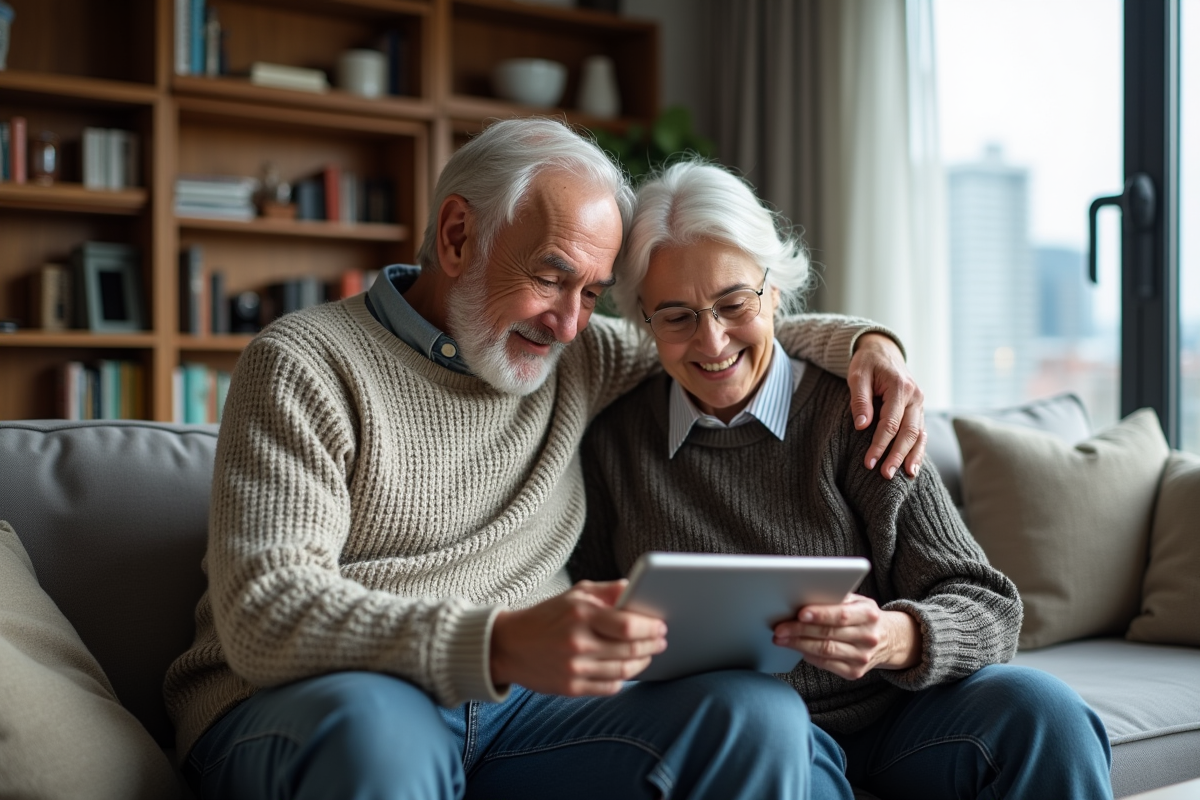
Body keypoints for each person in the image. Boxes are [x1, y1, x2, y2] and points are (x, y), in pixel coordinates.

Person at [164, 118, 928, 800]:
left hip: (523, 713)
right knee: (379, 733)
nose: (568, 323)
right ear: (458, 236)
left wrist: (870, 345)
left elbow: (713, 332)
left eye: (593, 293)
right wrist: (493, 643)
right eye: (551, 276)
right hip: (326, 699)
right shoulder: (304, 363)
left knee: (755, 714)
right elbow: (261, 613)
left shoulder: (580, 355)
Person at [572, 159, 1114, 800]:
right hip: (747, 736)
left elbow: (988, 607)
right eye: (677, 315)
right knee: (767, 737)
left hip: (901, 723)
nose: (712, 340)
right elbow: (595, 627)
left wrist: (894, 637)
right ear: (643, 319)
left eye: (733, 302)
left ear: (774, 292)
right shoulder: (614, 444)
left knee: (1043, 712)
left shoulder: (858, 415)